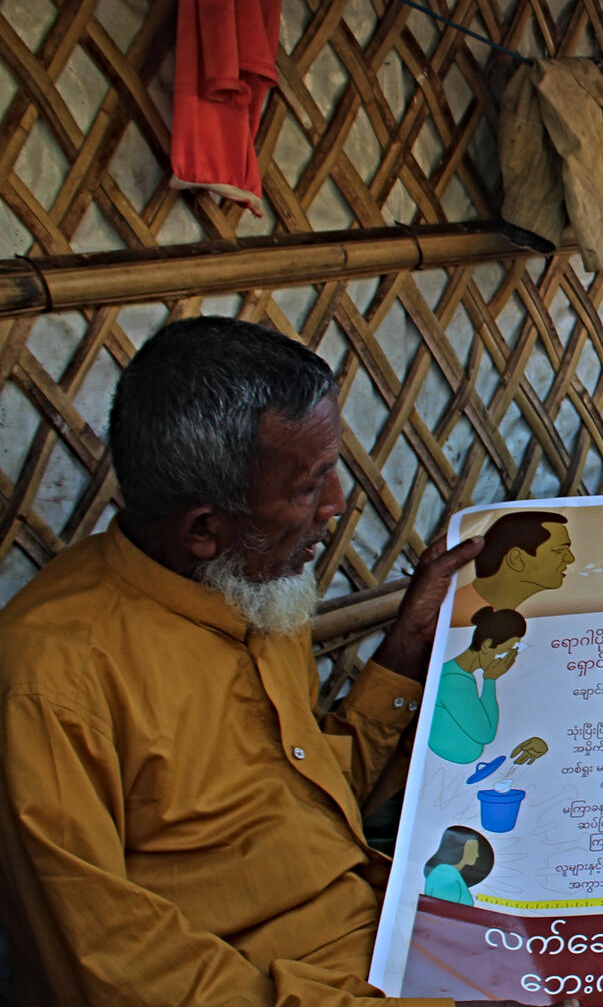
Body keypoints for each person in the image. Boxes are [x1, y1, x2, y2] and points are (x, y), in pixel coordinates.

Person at [0, 317, 570, 1006]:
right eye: (308, 487)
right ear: (204, 528)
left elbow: (311, 806)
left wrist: (405, 652)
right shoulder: (51, 682)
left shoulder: (253, 590)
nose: (338, 505)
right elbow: (116, 968)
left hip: (385, 923)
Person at [426, 606, 548, 767]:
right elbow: (485, 734)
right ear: (486, 645)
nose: (508, 658)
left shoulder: (461, 675)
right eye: (508, 650)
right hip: (448, 765)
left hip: (469, 763)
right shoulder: (454, 680)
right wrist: (490, 680)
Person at [449, 510, 573, 626]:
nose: (570, 558)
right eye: (559, 551)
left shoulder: (488, 616)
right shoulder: (457, 617)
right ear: (516, 559)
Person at [421, 826, 495, 907]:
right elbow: (467, 903)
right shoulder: (444, 873)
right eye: (473, 850)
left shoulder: (451, 872)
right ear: (461, 850)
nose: (477, 855)